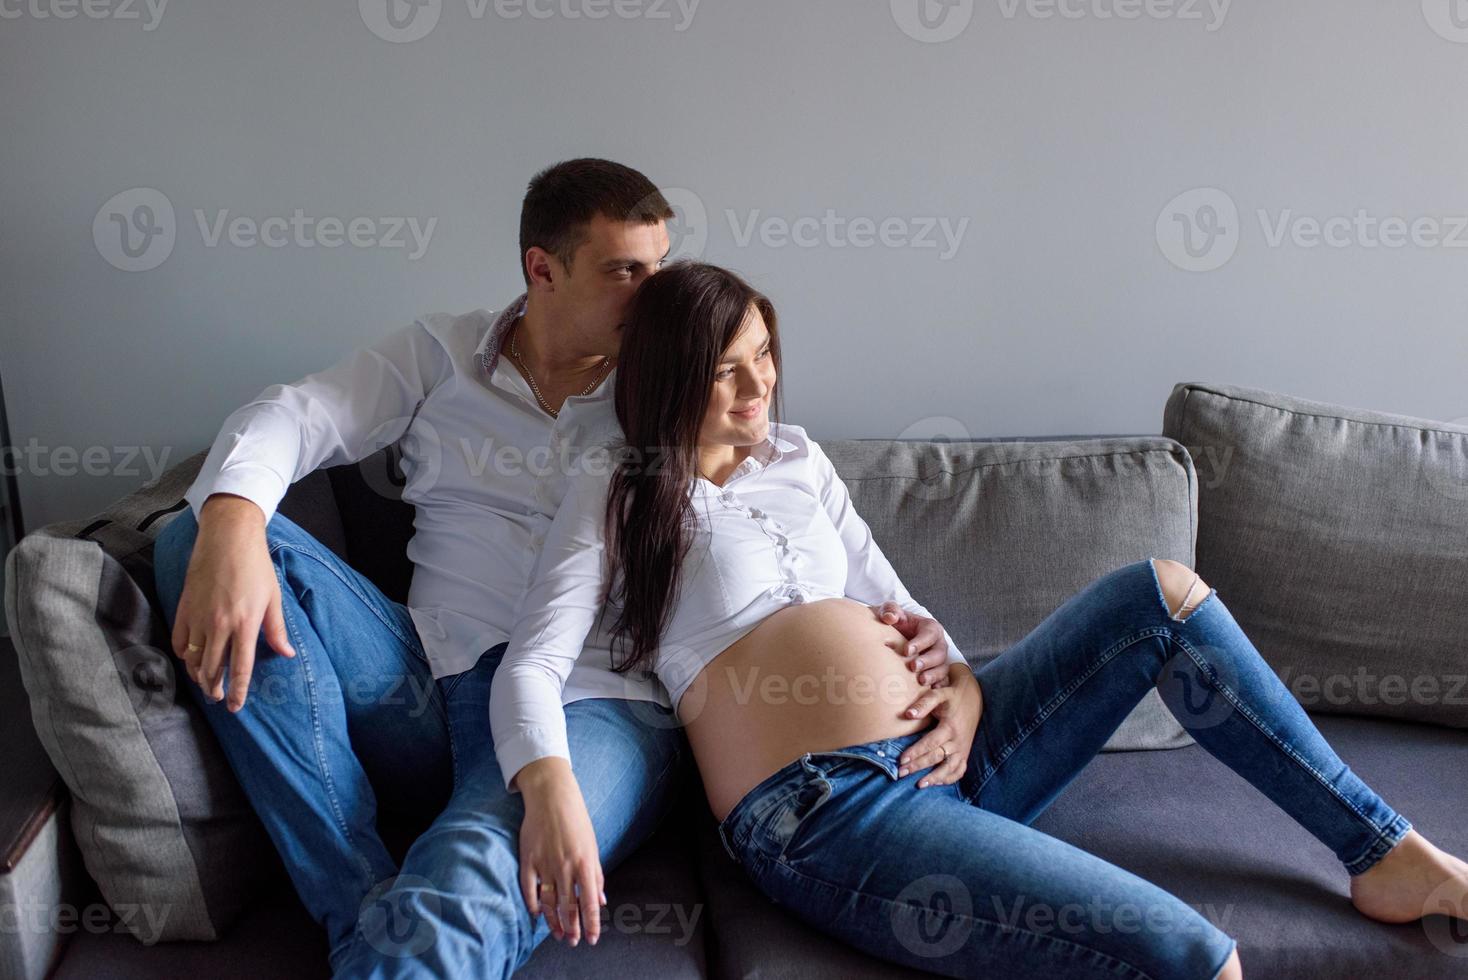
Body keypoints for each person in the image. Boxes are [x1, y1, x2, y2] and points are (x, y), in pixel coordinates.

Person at [490, 260, 1468, 980]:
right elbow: (531, 662)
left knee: (1159, 593)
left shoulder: (798, 459)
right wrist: (549, 785)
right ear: (666, 377)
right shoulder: (618, 487)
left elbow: (903, 605)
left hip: (955, 750)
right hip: (828, 810)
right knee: (1193, 955)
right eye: (727, 373)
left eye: (765, 359)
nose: (760, 389)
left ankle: (1384, 852)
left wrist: (957, 688)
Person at [153, 158, 745, 978]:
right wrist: (229, 518)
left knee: (468, 881)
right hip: (426, 683)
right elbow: (298, 413)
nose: (653, 295)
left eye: (660, 267)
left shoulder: (670, 382)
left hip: (592, 701)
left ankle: (388, 937)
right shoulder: (444, 354)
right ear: (542, 268)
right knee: (196, 541)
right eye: (624, 271)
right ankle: (356, 896)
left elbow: (774, 500)